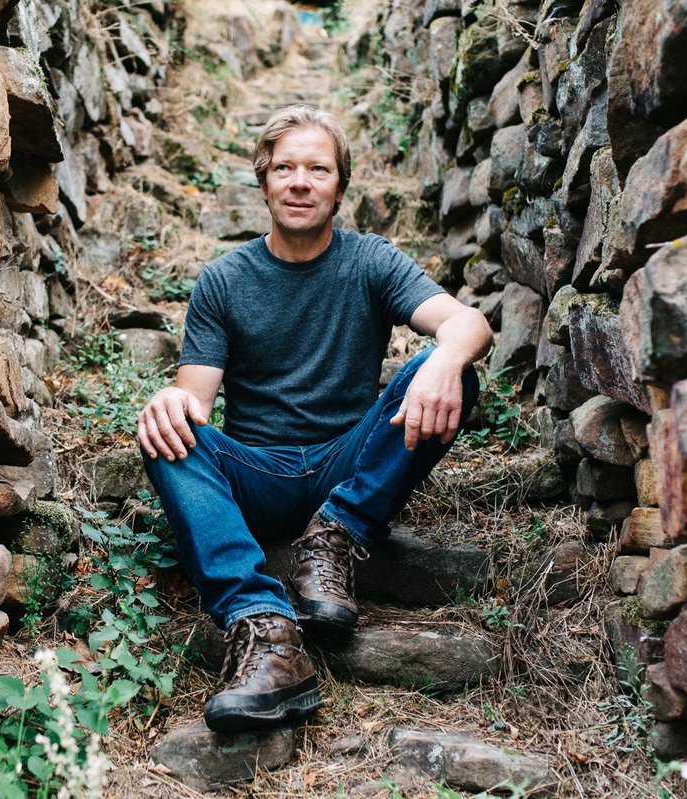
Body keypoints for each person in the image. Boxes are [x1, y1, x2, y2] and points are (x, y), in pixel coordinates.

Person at [137, 104, 493, 732]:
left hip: (345, 466)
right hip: (260, 476)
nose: (300, 182)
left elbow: (468, 322)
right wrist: (170, 402)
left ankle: (335, 537)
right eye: (285, 169)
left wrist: (446, 358)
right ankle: (267, 631)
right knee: (170, 435)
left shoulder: (371, 261)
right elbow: (193, 403)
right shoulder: (223, 280)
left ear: (339, 185)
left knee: (453, 369)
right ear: (264, 180)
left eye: (317, 169)